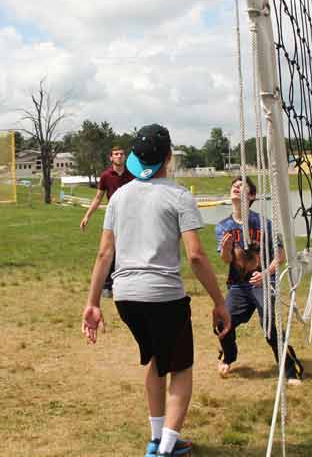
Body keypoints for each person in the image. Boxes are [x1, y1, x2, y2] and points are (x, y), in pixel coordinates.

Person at [81, 124, 231, 457]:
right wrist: (220, 302)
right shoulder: (179, 195)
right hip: (163, 296)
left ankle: (156, 438)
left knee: (155, 360)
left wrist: (93, 302)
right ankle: (166, 449)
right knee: (180, 368)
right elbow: (195, 255)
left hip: (124, 296)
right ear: (168, 157)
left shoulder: (119, 196)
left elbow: (105, 253)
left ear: (134, 158)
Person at [215, 176, 303, 385]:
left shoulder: (265, 224)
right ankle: (228, 355)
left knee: (271, 327)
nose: (236, 188)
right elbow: (226, 259)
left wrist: (265, 274)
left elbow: (280, 256)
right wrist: (226, 250)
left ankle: (291, 370)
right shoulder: (222, 226)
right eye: (234, 186)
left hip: (263, 282)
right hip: (238, 285)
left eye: (242, 187)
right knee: (222, 322)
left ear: (252, 196)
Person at [80, 145, 134, 298]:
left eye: (122, 154)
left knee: (128, 250)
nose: (119, 156)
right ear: (111, 158)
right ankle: (106, 286)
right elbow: (98, 198)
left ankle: (125, 283)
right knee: (109, 251)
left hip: (130, 218)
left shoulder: (132, 175)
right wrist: (87, 216)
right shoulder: (105, 176)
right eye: (116, 154)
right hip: (114, 217)